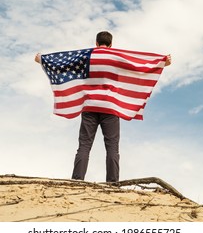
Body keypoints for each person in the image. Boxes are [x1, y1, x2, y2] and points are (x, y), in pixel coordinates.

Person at [35, 31, 171, 182]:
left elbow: (64, 63)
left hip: (89, 106)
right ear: (111, 44)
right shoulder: (116, 56)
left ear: (96, 43)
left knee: (84, 145)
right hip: (110, 108)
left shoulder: (87, 55)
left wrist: (41, 59)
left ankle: (77, 180)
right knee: (112, 147)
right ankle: (112, 183)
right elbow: (137, 66)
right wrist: (162, 62)